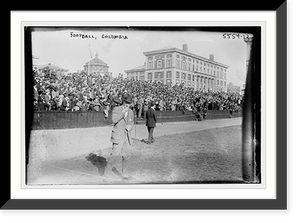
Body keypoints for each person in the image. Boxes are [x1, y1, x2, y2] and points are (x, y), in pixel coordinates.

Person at [105, 95, 134, 180]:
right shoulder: (116, 109)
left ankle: (124, 174)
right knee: (114, 155)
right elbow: (114, 120)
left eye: (129, 103)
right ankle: (107, 174)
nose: (128, 105)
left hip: (127, 137)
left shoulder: (131, 112)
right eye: (127, 103)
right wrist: (123, 112)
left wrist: (130, 126)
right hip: (118, 136)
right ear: (123, 102)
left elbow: (132, 122)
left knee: (127, 156)